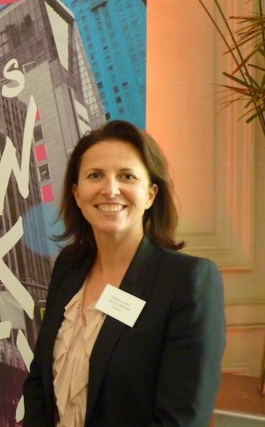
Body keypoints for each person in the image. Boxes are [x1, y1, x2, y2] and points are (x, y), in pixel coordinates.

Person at [22, 120, 226, 427]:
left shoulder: (188, 281)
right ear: (77, 194)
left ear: (150, 195)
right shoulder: (69, 265)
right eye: (95, 176)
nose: (110, 189)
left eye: (127, 176)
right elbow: (39, 381)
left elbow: (180, 420)